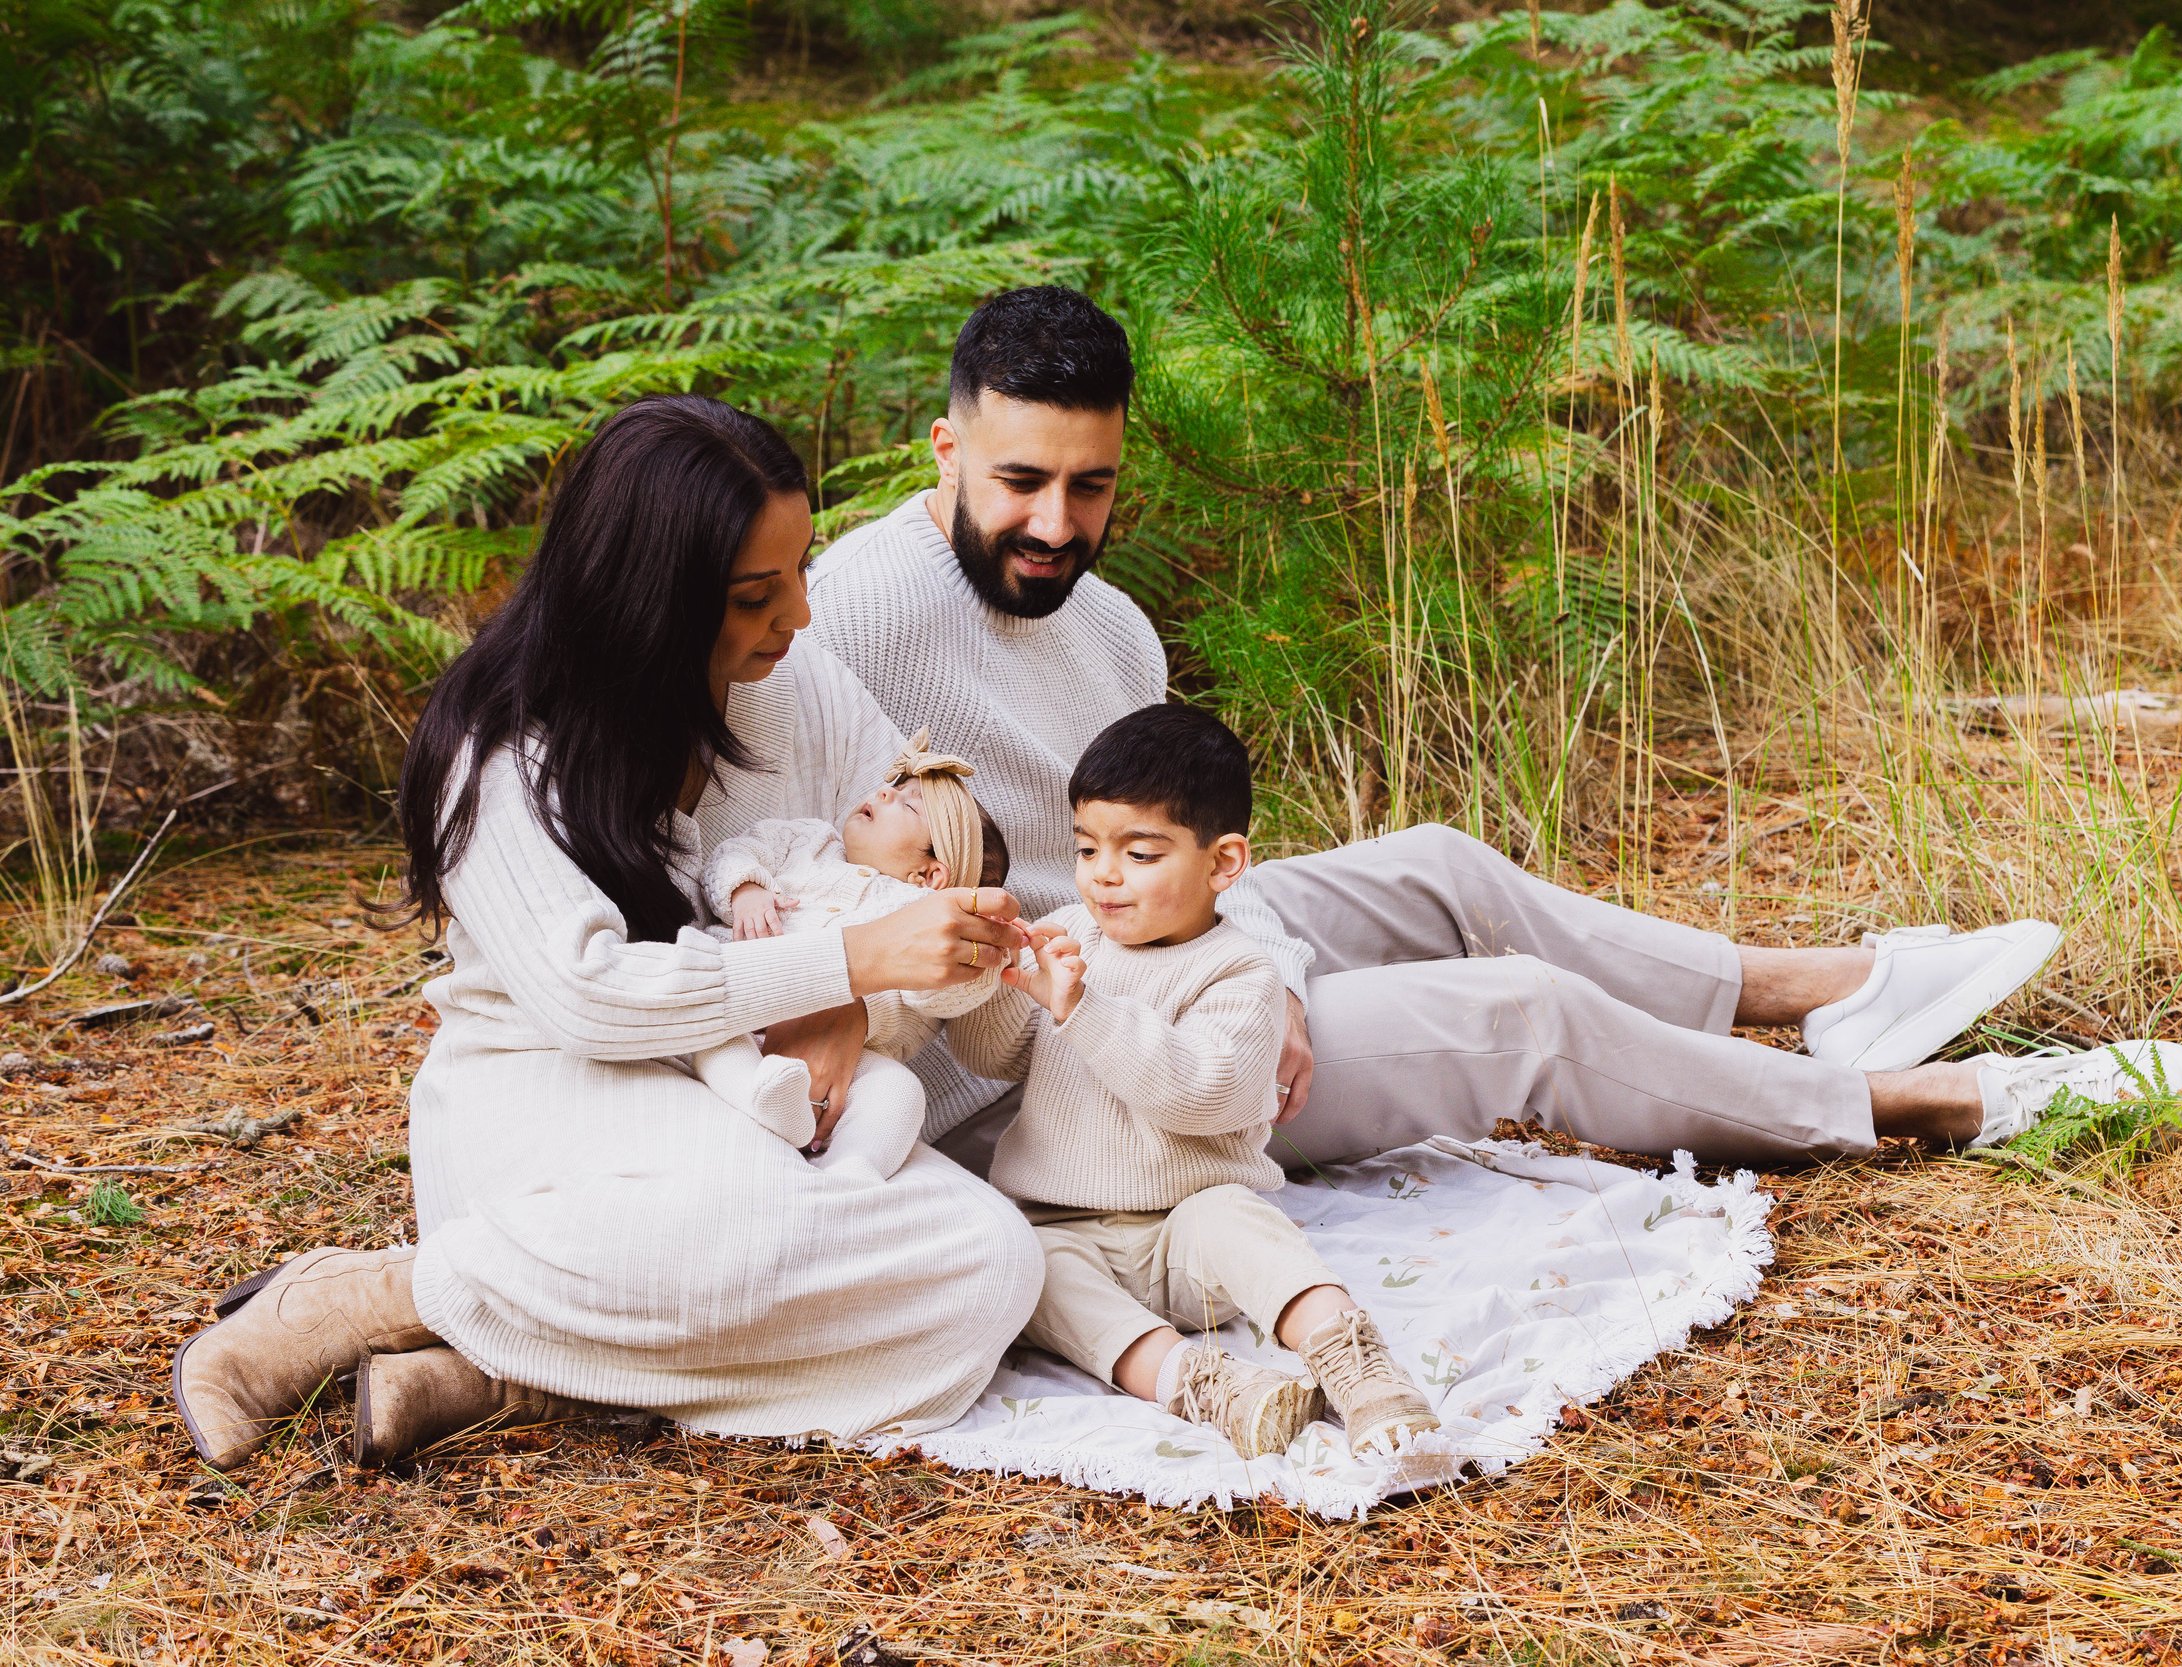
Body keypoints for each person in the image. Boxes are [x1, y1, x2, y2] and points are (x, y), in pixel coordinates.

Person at [805, 285, 2182, 1176]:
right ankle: (1933, 1098)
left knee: (1444, 866)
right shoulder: (852, 613)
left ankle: (1823, 989)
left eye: (1091, 486)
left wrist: (1268, 967)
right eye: (1022, 483)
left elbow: (1176, 860)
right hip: (1074, 1059)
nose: (1057, 526)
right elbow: (801, 887)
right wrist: (1244, 1000)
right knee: (1520, 1015)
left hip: (1154, 942)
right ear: (945, 450)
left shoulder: (1109, 626)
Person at [170, 395, 1044, 1473]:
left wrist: (920, 975)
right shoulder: (498, 753)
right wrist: (845, 962)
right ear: (652, 603)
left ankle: (513, 1373)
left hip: (740, 1112)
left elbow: (913, 844)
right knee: (752, 1216)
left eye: (802, 569)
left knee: (991, 1262)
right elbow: (587, 995)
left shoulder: (792, 679)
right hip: (545, 1102)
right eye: (756, 594)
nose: (802, 616)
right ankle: (357, 1297)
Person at [948, 705, 1438, 1458]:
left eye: (1140, 854)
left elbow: (1203, 1089)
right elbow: (994, 1053)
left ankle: (1350, 1358)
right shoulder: (1072, 937)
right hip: (1060, 1224)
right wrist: (995, 983)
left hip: (1186, 1221)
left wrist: (1081, 1007)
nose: (1104, 875)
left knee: (1242, 1223)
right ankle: (1206, 1383)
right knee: (1027, 1271)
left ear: (1223, 864)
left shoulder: (1240, 970)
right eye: (1086, 849)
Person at [692, 730, 1008, 1178]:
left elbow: (944, 994)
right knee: (713, 1041)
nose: (883, 791)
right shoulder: (806, 841)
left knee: (900, 1092)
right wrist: (746, 890)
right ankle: (761, 1099)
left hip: (851, 1056)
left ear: (930, 874)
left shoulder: (921, 915)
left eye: (909, 804)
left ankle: (854, 1172)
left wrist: (984, 949)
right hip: (746, 1001)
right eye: (895, 787)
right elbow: (733, 852)